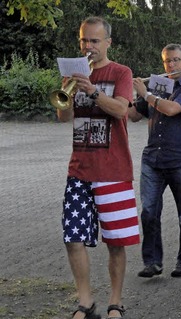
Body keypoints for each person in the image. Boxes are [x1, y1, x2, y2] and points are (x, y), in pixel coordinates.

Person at [57, 16, 140, 319]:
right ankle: (85, 302)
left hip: (113, 170)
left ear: (108, 42)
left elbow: (121, 109)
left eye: (94, 40)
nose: (88, 46)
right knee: (73, 237)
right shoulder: (74, 74)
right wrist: (66, 92)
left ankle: (115, 302)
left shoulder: (121, 72)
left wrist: (92, 90)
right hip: (79, 169)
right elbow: (63, 118)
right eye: (83, 40)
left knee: (116, 242)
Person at [130, 43, 181, 278]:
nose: (171, 65)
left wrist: (146, 94)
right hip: (153, 158)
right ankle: (152, 262)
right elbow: (132, 116)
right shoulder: (156, 86)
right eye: (167, 61)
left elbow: (172, 109)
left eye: (176, 60)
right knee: (149, 212)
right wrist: (127, 95)